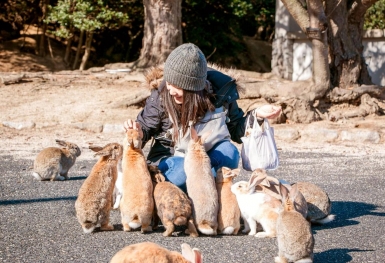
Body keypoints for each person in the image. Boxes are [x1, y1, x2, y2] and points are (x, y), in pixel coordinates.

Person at [124, 43, 281, 192]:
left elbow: (236, 130)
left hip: (203, 155)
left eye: (178, 87)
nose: (171, 91)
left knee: (229, 153)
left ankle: (203, 193)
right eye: (169, 83)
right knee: (182, 170)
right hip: (172, 158)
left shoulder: (222, 93)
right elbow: (145, 126)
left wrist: (257, 115)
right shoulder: (161, 95)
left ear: (195, 88)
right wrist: (138, 131)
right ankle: (180, 192)